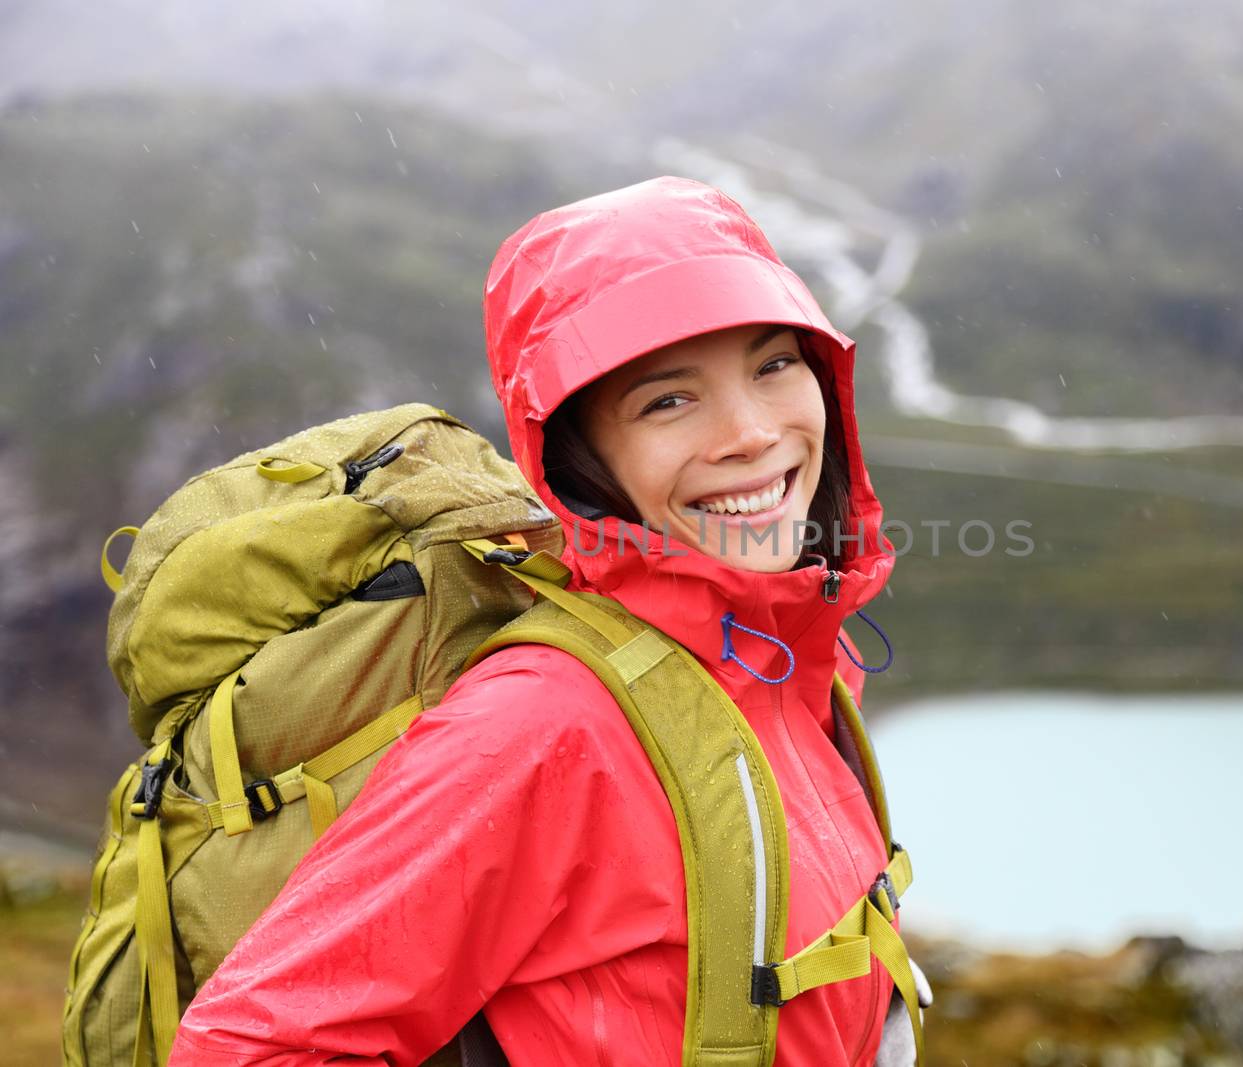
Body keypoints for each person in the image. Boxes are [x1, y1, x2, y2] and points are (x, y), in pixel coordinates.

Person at [168, 176, 919, 1066]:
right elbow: (247, 1048)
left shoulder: (789, 659)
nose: (752, 432)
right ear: (579, 460)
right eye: (667, 401)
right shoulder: (541, 722)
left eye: (773, 364)